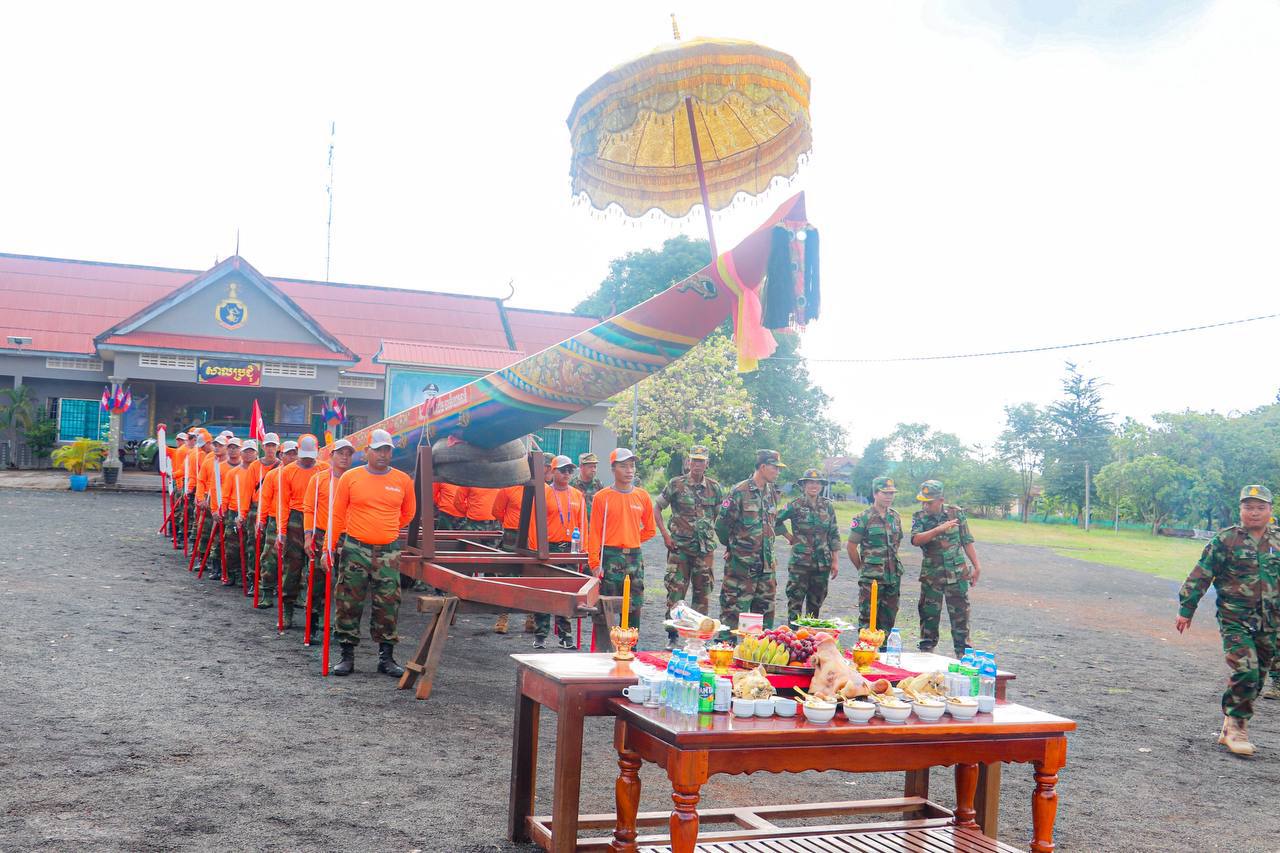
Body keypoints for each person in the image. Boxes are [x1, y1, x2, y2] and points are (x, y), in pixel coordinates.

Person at [1176, 484, 1280, 756]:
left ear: (1270, 510)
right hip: (1236, 620)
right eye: (1248, 507)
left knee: (1257, 677)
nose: (1254, 513)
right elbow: (1201, 574)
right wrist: (1187, 608)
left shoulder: (1278, 540)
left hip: (1271, 621)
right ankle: (1237, 728)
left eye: (1260, 507)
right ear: (1240, 510)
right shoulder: (1226, 540)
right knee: (1245, 669)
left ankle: (1230, 723)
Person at [329, 428, 416, 677]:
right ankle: (346, 656)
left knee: (388, 603)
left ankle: (386, 658)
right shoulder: (351, 477)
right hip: (355, 548)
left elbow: (409, 512)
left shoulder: (402, 480)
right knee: (348, 601)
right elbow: (337, 513)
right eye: (378, 449)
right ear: (367, 451)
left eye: (387, 449)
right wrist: (329, 545)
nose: (382, 454)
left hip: (388, 551)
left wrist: (386, 528)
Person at [654, 445, 723, 648]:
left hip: (704, 550)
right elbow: (657, 507)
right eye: (694, 460)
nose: (697, 464)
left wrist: (709, 533)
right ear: (688, 463)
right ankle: (673, 636)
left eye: (701, 461)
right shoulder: (676, 484)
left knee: (703, 592)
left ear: (707, 464)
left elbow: (718, 515)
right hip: (680, 549)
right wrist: (666, 535)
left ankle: (698, 637)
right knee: (676, 591)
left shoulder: (715, 488)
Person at [910, 480, 982, 658]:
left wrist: (977, 566)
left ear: (941, 499)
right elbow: (915, 540)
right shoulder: (919, 516)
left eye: (929, 502)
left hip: (957, 574)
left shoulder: (955, 513)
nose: (925, 505)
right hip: (931, 576)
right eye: (923, 501)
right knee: (928, 619)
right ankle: (926, 657)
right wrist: (938, 529)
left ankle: (963, 657)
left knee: (961, 619)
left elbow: (966, 540)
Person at [716, 449, 784, 630]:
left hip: (767, 567)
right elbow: (722, 526)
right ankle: (725, 650)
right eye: (775, 468)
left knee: (764, 617)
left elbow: (771, 524)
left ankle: (758, 654)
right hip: (741, 567)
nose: (778, 472)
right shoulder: (739, 491)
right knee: (732, 613)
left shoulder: (772, 492)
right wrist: (733, 547)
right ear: (762, 467)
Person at [587, 448, 655, 628]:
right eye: (624, 466)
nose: (629, 470)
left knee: (634, 604)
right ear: (613, 469)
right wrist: (594, 563)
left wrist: (631, 538)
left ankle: (631, 647)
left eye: (632, 466)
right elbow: (594, 532)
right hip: (609, 556)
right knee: (606, 604)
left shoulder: (642, 496)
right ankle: (605, 649)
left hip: (634, 556)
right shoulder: (602, 497)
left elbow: (650, 529)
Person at [303, 438, 355, 645]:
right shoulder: (318, 480)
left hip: (349, 536)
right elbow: (309, 508)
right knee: (316, 582)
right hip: (323, 532)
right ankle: (312, 625)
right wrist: (308, 536)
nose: (344, 457)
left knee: (348, 584)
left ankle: (342, 629)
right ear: (331, 456)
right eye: (340, 453)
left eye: (348, 454)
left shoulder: (354, 479)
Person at [533, 455, 587, 649]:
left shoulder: (577, 495)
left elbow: (583, 524)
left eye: (569, 471)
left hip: (570, 549)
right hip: (549, 547)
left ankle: (565, 635)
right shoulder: (544, 493)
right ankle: (540, 634)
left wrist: (583, 548)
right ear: (553, 471)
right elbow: (534, 522)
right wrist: (535, 548)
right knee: (545, 590)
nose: (566, 474)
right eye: (562, 470)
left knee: (567, 592)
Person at [778, 468, 841, 624]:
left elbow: (834, 533)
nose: (814, 486)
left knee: (816, 602)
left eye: (817, 483)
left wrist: (835, 560)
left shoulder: (827, 506)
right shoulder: (795, 505)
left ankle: (810, 639)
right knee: (795, 601)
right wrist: (789, 536)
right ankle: (793, 638)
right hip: (800, 563)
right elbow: (774, 520)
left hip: (822, 564)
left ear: (821, 486)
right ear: (803, 485)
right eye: (810, 482)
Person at [279, 434, 328, 630]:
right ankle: (287, 608)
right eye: (304, 455)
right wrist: (281, 531)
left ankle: (316, 613)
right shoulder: (287, 471)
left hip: (319, 521)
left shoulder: (324, 469)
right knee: (292, 567)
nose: (308, 459)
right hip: (295, 520)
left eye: (311, 455)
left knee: (318, 572)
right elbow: (282, 503)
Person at [847, 476, 905, 633]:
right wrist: (863, 568)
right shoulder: (863, 518)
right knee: (868, 620)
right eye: (884, 493)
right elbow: (851, 547)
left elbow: (896, 543)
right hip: (871, 579)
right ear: (875, 494)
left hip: (892, 578)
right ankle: (866, 654)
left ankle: (885, 653)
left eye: (891, 493)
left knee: (888, 619)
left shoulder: (895, 517)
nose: (888, 497)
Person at [254, 440, 297, 609]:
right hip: (274, 520)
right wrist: (261, 520)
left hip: (296, 520)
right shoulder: (273, 475)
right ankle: (267, 592)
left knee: (295, 560)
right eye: (289, 454)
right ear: (281, 455)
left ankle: (296, 594)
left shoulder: (304, 474)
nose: (292, 457)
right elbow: (264, 500)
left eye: (295, 453)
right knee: (269, 557)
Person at [217, 438, 244, 586]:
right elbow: (225, 493)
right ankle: (230, 573)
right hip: (232, 511)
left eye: (236, 448)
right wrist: (221, 510)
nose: (233, 450)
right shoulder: (230, 471)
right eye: (231, 447)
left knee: (245, 546)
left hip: (246, 511)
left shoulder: (252, 469)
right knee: (231, 545)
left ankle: (242, 575)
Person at [570, 452, 603, 521]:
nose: (593, 470)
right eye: (590, 467)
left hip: (592, 526)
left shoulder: (599, 484)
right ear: (581, 467)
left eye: (595, 467)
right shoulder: (572, 484)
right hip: (576, 526)